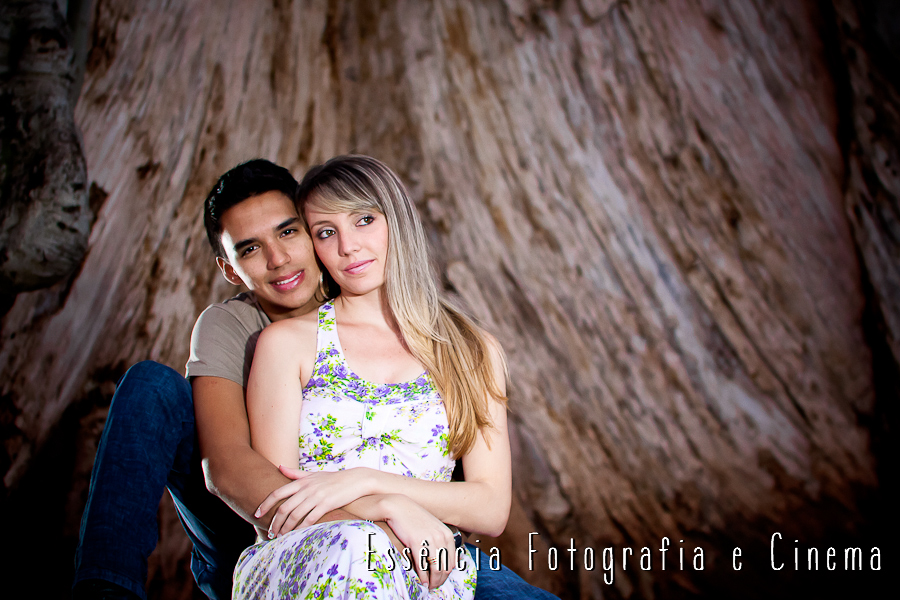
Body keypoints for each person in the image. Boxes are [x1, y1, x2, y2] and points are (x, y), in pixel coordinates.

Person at [73, 159, 558, 600]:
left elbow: (487, 504)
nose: (279, 259)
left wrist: (387, 500)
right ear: (230, 269)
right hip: (267, 521)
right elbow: (228, 469)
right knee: (152, 388)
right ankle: (105, 592)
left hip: (420, 538)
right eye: (250, 249)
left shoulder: (437, 329)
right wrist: (383, 516)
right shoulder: (247, 331)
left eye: (289, 233)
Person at [233, 155, 514, 599]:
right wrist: (386, 508)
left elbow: (491, 507)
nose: (348, 246)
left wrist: (372, 482)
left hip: (424, 570)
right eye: (326, 232)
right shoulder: (287, 344)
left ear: (397, 220)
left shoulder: (471, 351)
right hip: (307, 559)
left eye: (364, 219)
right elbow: (279, 504)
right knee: (359, 547)